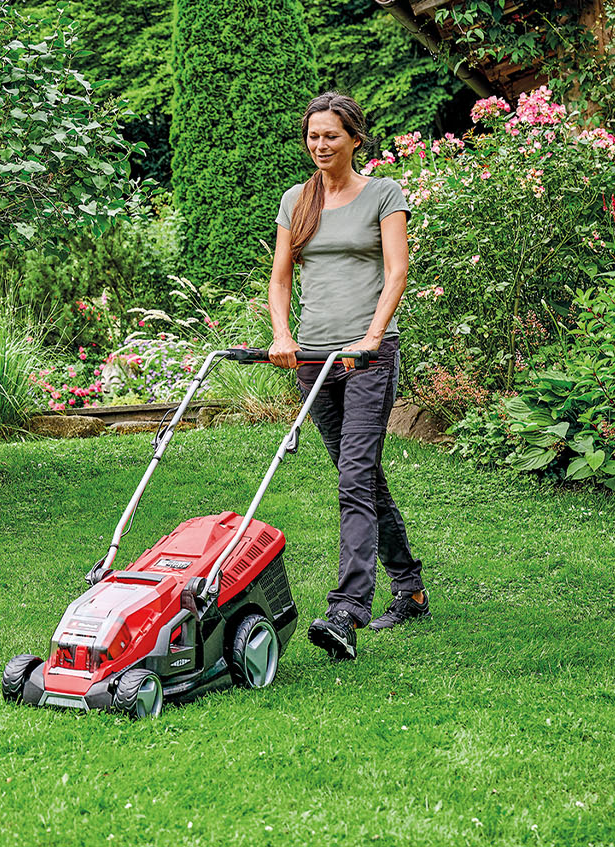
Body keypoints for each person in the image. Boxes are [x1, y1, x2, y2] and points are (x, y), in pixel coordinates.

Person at [267, 91, 428, 661]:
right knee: (359, 475)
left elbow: (396, 270)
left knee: (355, 477)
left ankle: (347, 610)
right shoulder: (298, 200)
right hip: (311, 359)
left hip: (367, 358)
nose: (320, 145)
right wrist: (282, 335)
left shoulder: (384, 193)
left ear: (355, 138)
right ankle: (409, 588)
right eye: (313, 135)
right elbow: (281, 278)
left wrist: (374, 335)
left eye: (331, 135)